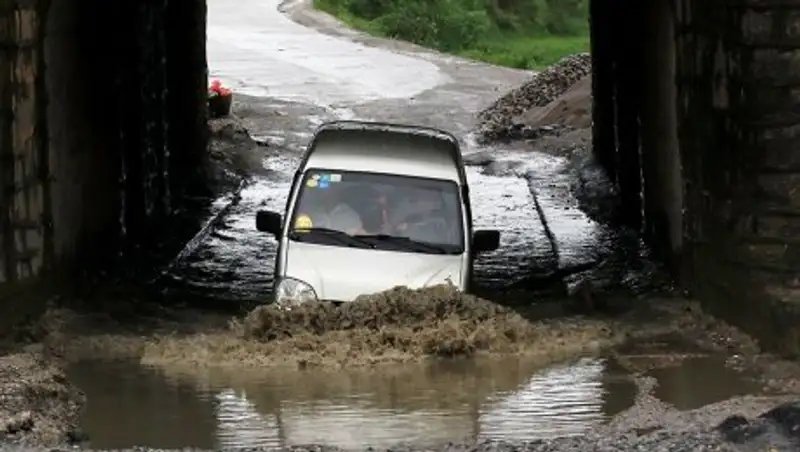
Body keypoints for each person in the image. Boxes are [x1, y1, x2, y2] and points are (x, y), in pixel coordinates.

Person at [293, 178, 364, 234]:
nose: (326, 195)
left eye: (331, 192)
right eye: (324, 192)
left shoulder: (350, 215)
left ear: (337, 194)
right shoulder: (311, 213)